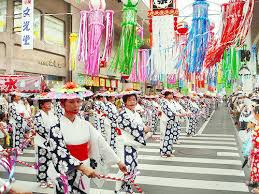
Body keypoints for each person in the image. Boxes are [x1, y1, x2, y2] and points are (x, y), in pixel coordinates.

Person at [47, 82, 127, 194]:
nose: (76, 105)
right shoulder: (56, 128)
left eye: (78, 101)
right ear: (62, 104)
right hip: (67, 171)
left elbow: (100, 142)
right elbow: (59, 154)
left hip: (85, 166)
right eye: (71, 102)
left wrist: (118, 161)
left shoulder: (85, 125)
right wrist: (82, 168)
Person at [115, 90, 149, 194]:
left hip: (133, 144)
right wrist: (143, 129)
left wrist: (144, 127)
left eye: (134, 100)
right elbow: (131, 127)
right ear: (125, 102)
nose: (132, 102)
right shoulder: (123, 115)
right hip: (125, 144)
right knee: (125, 168)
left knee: (133, 168)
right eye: (129, 100)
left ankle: (127, 188)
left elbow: (140, 125)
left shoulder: (135, 113)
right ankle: (118, 189)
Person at [33, 94, 57, 188]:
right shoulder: (38, 115)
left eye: (50, 103)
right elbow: (40, 128)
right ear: (42, 105)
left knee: (51, 160)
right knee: (42, 161)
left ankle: (50, 178)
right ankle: (42, 180)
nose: (50, 105)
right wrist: (50, 135)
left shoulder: (52, 113)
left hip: (51, 141)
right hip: (42, 141)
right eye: (48, 103)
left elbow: (56, 125)